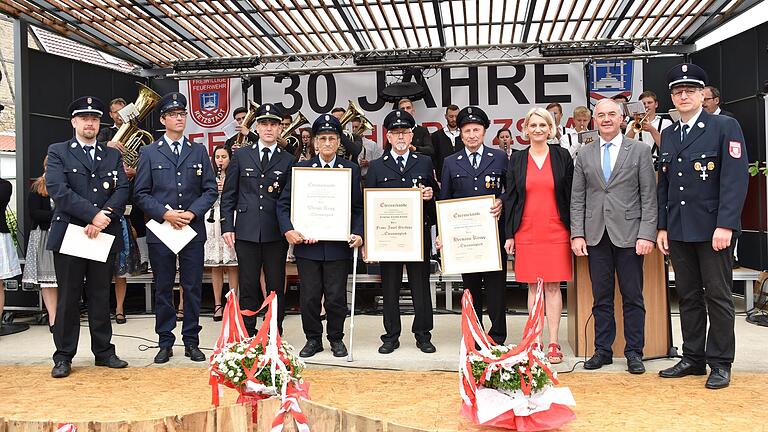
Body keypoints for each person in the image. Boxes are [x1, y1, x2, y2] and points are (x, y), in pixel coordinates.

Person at [656, 64, 749, 390]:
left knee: (719, 297)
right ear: (672, 97)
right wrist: (663, 227)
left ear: (703, 95)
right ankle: (693, 357)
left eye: (690, 90)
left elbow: (735, 181)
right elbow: (665, 185)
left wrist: (726, 225)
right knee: (688, 297)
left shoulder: (724, 126)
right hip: (680, 229)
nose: (683, 95)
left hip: (713, 231)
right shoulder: (668, 133)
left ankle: (720, 362)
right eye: (678, 91)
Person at [570, 98, 657, 375]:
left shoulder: (640, 151)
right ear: (594, 120)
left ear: (622, 119)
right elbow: (577, 198)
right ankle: (602, 350)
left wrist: (647, 234)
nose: (606, 119)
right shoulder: (584, 154)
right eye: (601, 115)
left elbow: (649, 197)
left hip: (631, 236)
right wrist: (577, 234)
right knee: (601, 297)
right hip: (596, 236)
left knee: (632, 296)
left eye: (611, 114)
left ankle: (634, 352)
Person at [45, 96, 130, 378]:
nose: (90, 123)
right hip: (72, 232)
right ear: (74, 122)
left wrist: (104, 215)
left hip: (101, 233)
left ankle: (104, 352)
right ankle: (64, 356)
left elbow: (122, 189)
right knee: (69, 297)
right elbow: (59, 190)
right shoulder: (58, 151)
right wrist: (93, 216)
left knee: (99, 294)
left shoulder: (111, 154)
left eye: (94, 119)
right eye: (84, 118)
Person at [133, 92, 218, 364]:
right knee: (163, 287)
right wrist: (165, 214)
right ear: (163, 119)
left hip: (191, 230)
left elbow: (209, 189)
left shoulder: (198, 150)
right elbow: (141, 193)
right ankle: (165, 340)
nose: (179, 118)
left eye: (182, 114)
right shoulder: (148, 152)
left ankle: (192, 340)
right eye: (174, 115)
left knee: (192, 286)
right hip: (162, 230)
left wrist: (192, 212)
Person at [278, 113, 364, 358]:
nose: (327, 143)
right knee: (310, 297)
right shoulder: (301, 170)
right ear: (315, 143)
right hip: (309, 245)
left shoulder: (351, 170)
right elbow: (284, 205)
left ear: (339, 142)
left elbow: (358, 208)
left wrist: (358, 233)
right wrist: (289, 230)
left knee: (336, 297)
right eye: (323, 138)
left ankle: (336, 338)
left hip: (338, 246)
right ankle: (313, 339)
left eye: (332, 138)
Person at [504, 107, 573, 364]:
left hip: (557, 229)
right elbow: (511, 197)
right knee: (533, 285)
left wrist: (576, 231)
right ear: (525, 129)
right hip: (527, 229)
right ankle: (534, 340)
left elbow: (571, 195)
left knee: (554, 286)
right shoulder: (518, 159)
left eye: (542, 125)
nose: (537, 130)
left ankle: (553, 341)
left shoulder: (562, 156)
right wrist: (509, 233)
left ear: (550, 128)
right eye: (533, 125)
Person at [365, 109, 437, 354]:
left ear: (411, 134)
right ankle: (391, 335)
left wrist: (430, 194)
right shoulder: (376, 167)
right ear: (388, 136)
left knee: (421, 286)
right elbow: (368, 206)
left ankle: (423, 334)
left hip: (417, 236)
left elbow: (435, 193)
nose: (401, 137)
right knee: (390, 287)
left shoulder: (424, 162)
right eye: (396, 133)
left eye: (405, 132)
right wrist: (369, 240)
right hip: (389, 238)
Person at [221, 103, 296, 336]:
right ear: (257, 126)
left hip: (275, 232)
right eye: (264, 124)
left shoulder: (287, 159)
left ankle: (274, 331)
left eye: (273, 124)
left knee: (275, 285)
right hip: (246, 231)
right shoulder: (242, 155)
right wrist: (227, 226)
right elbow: (229, 194)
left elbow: (291, 199)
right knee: (249, 284)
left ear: (280, 129)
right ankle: (248, 332)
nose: (268, 128)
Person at [437, 106, 507, 344]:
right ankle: (475, 335)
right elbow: (445, 199)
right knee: (471, 287)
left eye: (476, 129)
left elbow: (511, 191)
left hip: (493, 234)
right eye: (467, 130)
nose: (472, 135)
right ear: (461, 133)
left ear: (485, 132)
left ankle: (497, 336)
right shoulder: (450, 162)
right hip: (465, 239)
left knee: (497, 288)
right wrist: (442, 233)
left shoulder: (499, 157)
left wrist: (502, 201)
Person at [22, 159, 58, 332]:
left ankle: (64, 316)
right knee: (48, 281)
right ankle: (53, 318)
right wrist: (59, 216)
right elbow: (35, 213)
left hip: (64, 236)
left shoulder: (66, 185)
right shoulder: (37, 186)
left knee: (65, 280)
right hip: (44, 236)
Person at [205, 145, 239, 322]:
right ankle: (218, 303)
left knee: (233, 264)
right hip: (212, 221)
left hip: (230, 219)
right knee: (215, 265)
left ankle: (233, 302)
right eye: (217, 157)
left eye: (224, 156)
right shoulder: (209, 176)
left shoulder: (236, 175)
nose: (220, 160)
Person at [431, 104, 462, 178]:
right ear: (445, 116)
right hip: (443, 177)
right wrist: (436, 179)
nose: (454, 119)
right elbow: (433, 159)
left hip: (462, 177)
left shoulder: (465, 135)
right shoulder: (436, 136)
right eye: (451, 116)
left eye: (456, 116)